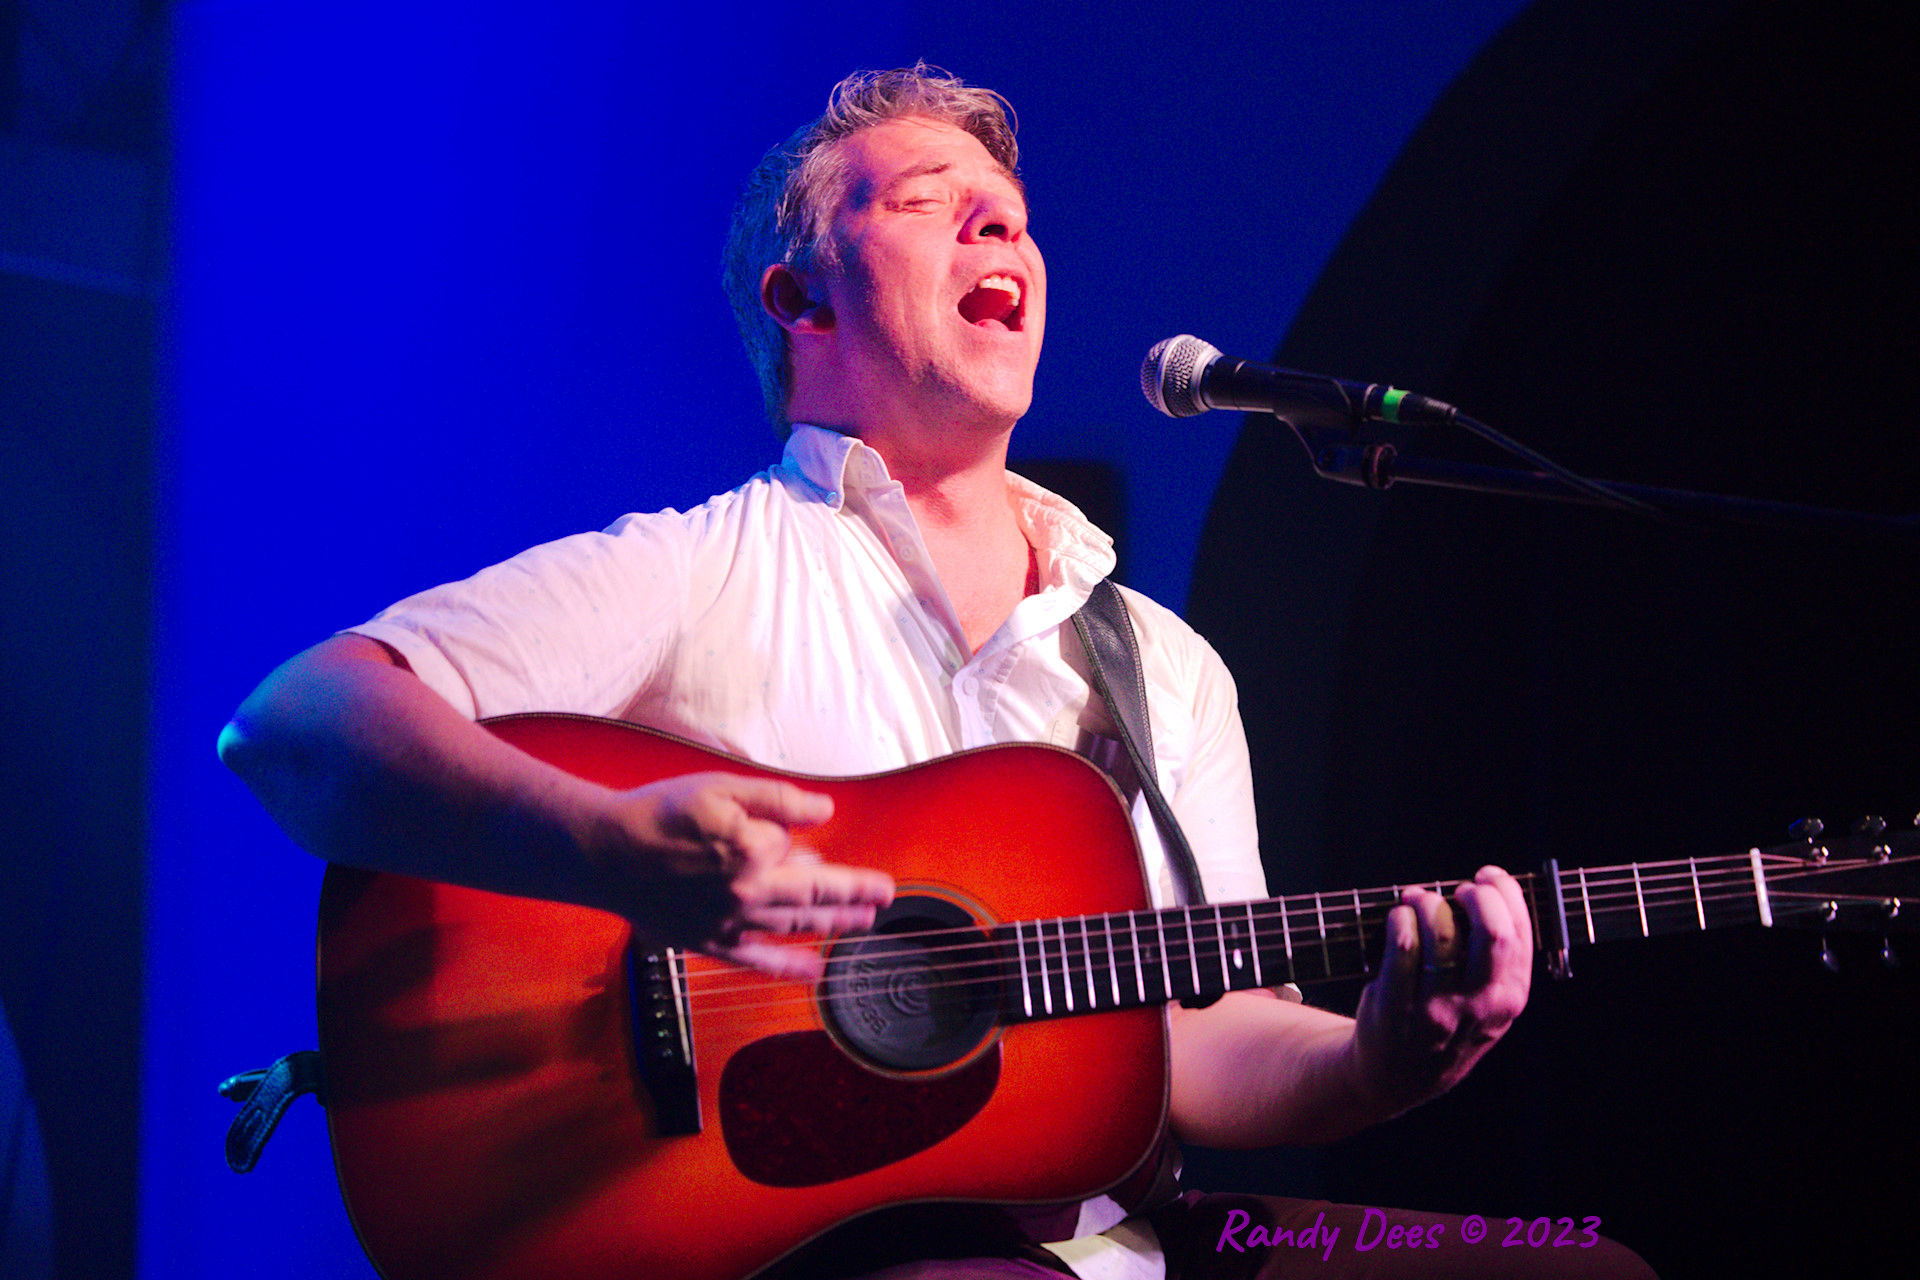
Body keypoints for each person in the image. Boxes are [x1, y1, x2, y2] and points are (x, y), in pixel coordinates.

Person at [220, 65, 1652, 1280]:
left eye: (1010, 213)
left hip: (1125, 1242)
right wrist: (605, 847)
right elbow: (294, 725)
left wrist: (1383, 1060)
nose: (998, 224)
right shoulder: (698, 569)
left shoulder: (1163, 668)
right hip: (818, 1251)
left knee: (1590, 1269)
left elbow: (1200, 1035)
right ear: (802, 296)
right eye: (925, 201)